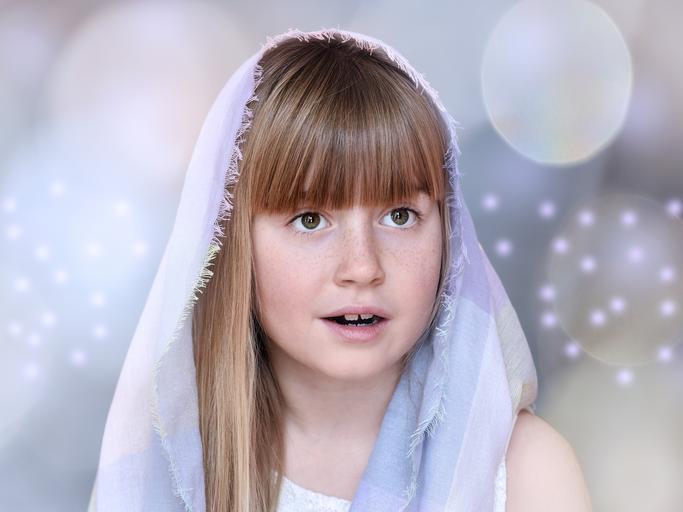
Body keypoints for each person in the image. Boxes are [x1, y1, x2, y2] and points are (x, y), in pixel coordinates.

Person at [88, 28, 592, 511]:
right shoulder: (174, 469)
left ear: (450, 231)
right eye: (310, 220)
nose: (362, 267)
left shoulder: (524, 475)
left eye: (400, 216)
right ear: (235, 243)